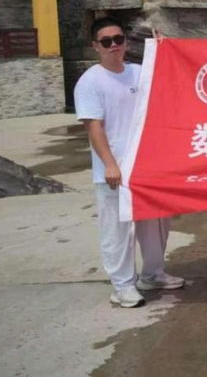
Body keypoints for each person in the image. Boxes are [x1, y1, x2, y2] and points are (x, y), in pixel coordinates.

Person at [75, 17, 184, 308]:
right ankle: (122, 286)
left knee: (156, 223)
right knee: (118, 230)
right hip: (115, 170)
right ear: (96, 46)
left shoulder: (137, 73)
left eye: (119, 39)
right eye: (106, 41)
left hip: (146, 166)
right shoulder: (90, 81)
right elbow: (93, 127)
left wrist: (164, 48)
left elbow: (169, 77)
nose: (114, 45)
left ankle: (153, 273)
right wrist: (110, 164)